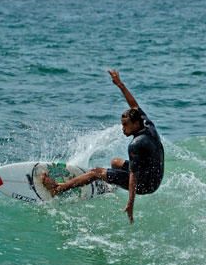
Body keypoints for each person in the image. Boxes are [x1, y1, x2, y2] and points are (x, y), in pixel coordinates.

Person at [42, 69, 164, 223]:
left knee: (95, 172)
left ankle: (58, 189)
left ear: (135, 123)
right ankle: (112, 182)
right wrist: (120, 84)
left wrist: (130, 203)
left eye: (126, 125)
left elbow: (133, 177)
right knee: (115, 162)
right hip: (154, 176)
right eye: (122, 124)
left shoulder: (136, 145)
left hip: (145, 184)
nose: (123, 128)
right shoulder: (147, 124)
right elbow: (134, 105)